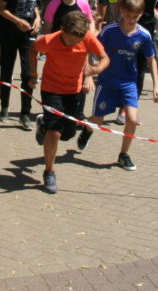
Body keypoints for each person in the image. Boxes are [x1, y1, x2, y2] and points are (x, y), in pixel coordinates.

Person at [76, 0, 158, 171]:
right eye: (128, 15)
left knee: (131, 118)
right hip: (107, 82)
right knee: (97, 120)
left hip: (128, 82)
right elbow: (90, 49)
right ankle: (88, 130)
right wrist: (89, 74)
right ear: (122, 11)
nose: (131, 19)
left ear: (141, 13)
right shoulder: (110, 31)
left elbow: (151, 59)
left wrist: (156, 85)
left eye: (136, 16)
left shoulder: (144, 35)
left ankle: (124, 154)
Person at [28, 11, 109, 194]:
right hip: (51, 88)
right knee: (55, 132)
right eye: (71, 39)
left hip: (74, 90)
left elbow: (105, 58)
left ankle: (43, 126)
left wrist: (93, 71)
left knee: (67, 134)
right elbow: (33, 49)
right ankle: (49, 172)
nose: (74, 44)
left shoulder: (86, 37)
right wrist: (33, 74)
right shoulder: (50, 40)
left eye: (77, 41)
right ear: (63, 29)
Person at [0, 0, 47, 130]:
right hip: (9, 32)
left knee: (28, 73)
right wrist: (17, 21)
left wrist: (38, 18)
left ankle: (25, 113)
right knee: (7, 71)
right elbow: (1, 8)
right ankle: (4, 108)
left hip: (28, 35)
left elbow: (36, 4)